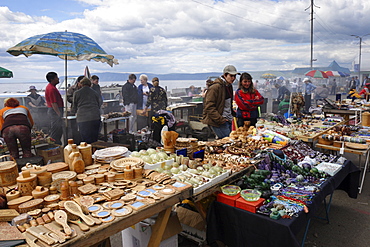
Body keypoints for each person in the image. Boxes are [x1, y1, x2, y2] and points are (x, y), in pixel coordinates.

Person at [202, 65, 239, 139]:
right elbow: (208, 107)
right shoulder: (215, 87)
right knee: (228, 142)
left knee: (228, 142)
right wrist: (220, 119)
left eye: (234, 76)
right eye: (231, 76)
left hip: (227, 119)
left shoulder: (229, 86)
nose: (233, 78)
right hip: (219, 122)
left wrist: (233, 114)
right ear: (225, 75)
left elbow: (228, 104)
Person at [72, 77, 102, 143]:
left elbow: (74, 106)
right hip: (95, 117)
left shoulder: (77, 93)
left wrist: (73, 112)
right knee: (94, 138)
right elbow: (99, 104)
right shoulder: (94, 92)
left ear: (81, 84)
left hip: (83, 118)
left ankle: (87, 151)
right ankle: (94, 150)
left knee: (85, 138)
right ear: (90, 84)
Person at [45, 72, 64, 145]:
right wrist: (59, 114)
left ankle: (57, 143)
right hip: (54, 111)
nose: (58, 79)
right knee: (56, 129)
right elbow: (53, 103)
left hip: (55, 110)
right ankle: (55, 145)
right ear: (52, 79)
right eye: (56, 77)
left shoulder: (52, 87)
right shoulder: (51, 89)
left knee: (58, 129)